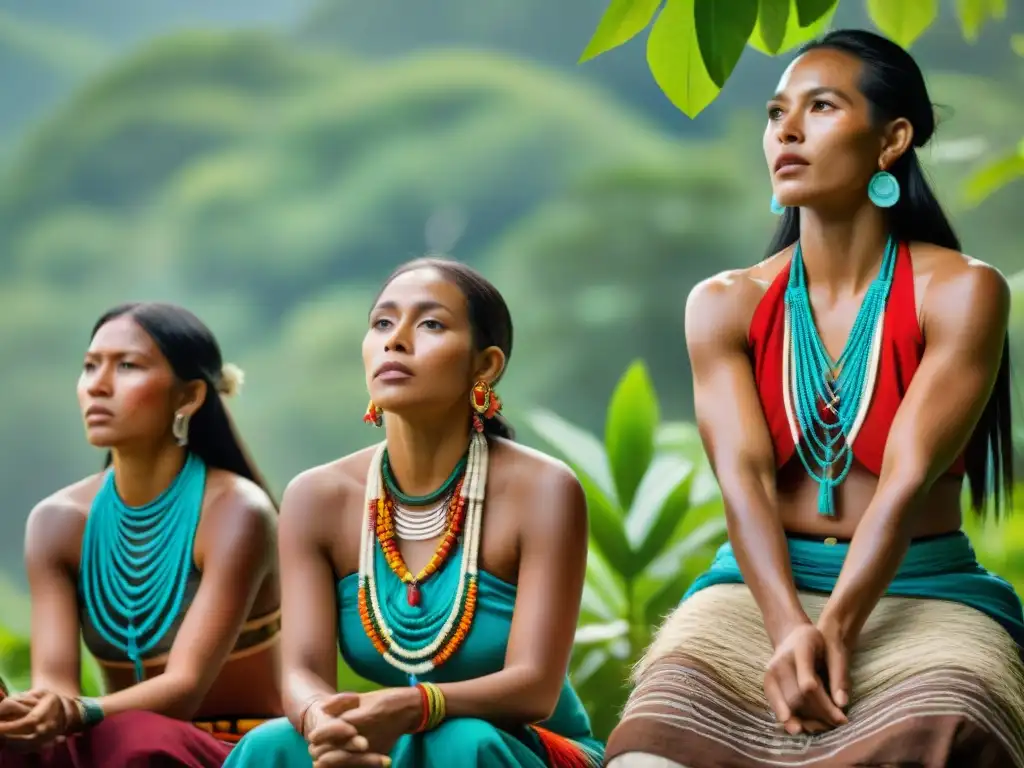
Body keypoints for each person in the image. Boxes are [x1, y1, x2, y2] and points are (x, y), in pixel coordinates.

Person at [605, 29, 1024, 768]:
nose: (786, 131)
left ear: (892, 140)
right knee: (647, 752)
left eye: (821, 107)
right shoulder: (723, 303)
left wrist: (835, 629)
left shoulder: (962, 290)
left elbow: (903, 481)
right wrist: (789, 625)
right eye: (775, 114)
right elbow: (744, 482)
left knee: (948, 736)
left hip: (923, 589)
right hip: (757, 592)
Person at [222, 258, 604, 767]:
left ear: (485, 365)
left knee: (462, 742)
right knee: (272, 747)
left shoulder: (544, 491)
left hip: (524, 742)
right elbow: (302, 671)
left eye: (430, 324)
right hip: (399, 731)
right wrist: (326, 725)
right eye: (382, 323)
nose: (395, 341)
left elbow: (535, 688)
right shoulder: (317, 497)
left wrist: (413, 705)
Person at [0, 303, 282, 766]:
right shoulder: (57, 522)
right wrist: (30, 715)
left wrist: (72, 712)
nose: (98, 384)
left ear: (189, 396)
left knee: (138, 739)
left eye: (126, 366)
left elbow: (184, 689)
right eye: (90, 366)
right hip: (114, 740)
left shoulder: (236, 512)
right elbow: (55, 686)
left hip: (232, 749)